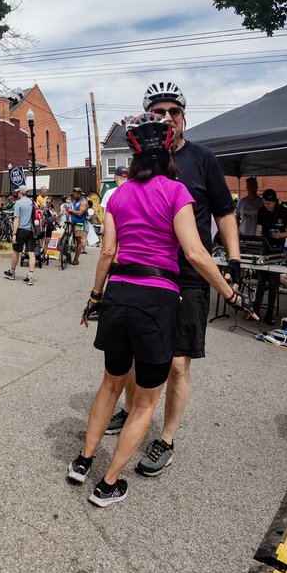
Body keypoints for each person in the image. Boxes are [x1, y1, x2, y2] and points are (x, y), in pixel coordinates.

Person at [71, 113, 250, 506]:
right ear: (168, 149)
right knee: (146, 402)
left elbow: (107, 252)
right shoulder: (176, 192)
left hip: (118, 293)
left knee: (110, 383)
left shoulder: (117, 196)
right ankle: (108, 483)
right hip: (157, 298)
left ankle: (82, 462)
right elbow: (195, 252)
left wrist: (95, 297)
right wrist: (230, 292)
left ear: (133, 156)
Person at [104, 81, 241, 476]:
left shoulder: (202, 159)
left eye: (174, 112)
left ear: (184, 116)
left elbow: (224, 212)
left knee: (178, 364)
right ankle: (132, 412)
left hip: (189, 277)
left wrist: (231, 262)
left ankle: (165, 437)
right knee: (133, 357)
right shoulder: (142, 163)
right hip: (147, 276)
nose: (167, 119)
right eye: (159, 112)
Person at [252, 188, 287, 319]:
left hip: (277, 251)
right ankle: (256, 310)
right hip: (264, 250)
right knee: (261, 282)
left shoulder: (284, 211)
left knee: (274, 282)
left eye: (269, 203)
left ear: (275, 201)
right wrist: (260, 243)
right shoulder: (262, 211)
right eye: (265, 203)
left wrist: (280, 235)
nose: (267, 206)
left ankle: (269, 313)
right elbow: (258, 230)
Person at [5, 187, 36, 285]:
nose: (17, 193)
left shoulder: (18, 203)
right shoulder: (32, 202)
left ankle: (12, 272)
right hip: (31, 230)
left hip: (21, 230)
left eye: (18, 192)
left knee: (16, 251)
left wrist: (14, 234)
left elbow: (16, 220)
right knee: (31, 253)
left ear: (21, 192)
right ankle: (30, 277)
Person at [68, 186, 90, 264]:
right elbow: (71, 211)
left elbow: (80, 213)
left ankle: (76, 259)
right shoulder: (74, 201)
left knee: (78, 241)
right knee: (65, 236)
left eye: (75, 194)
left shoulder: (83, 202)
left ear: (79, 194)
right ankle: (66, 250)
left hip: (79, 223)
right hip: (71, 222)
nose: (74, 196)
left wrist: (71, 210)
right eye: (73, 194)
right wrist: (68, 212)